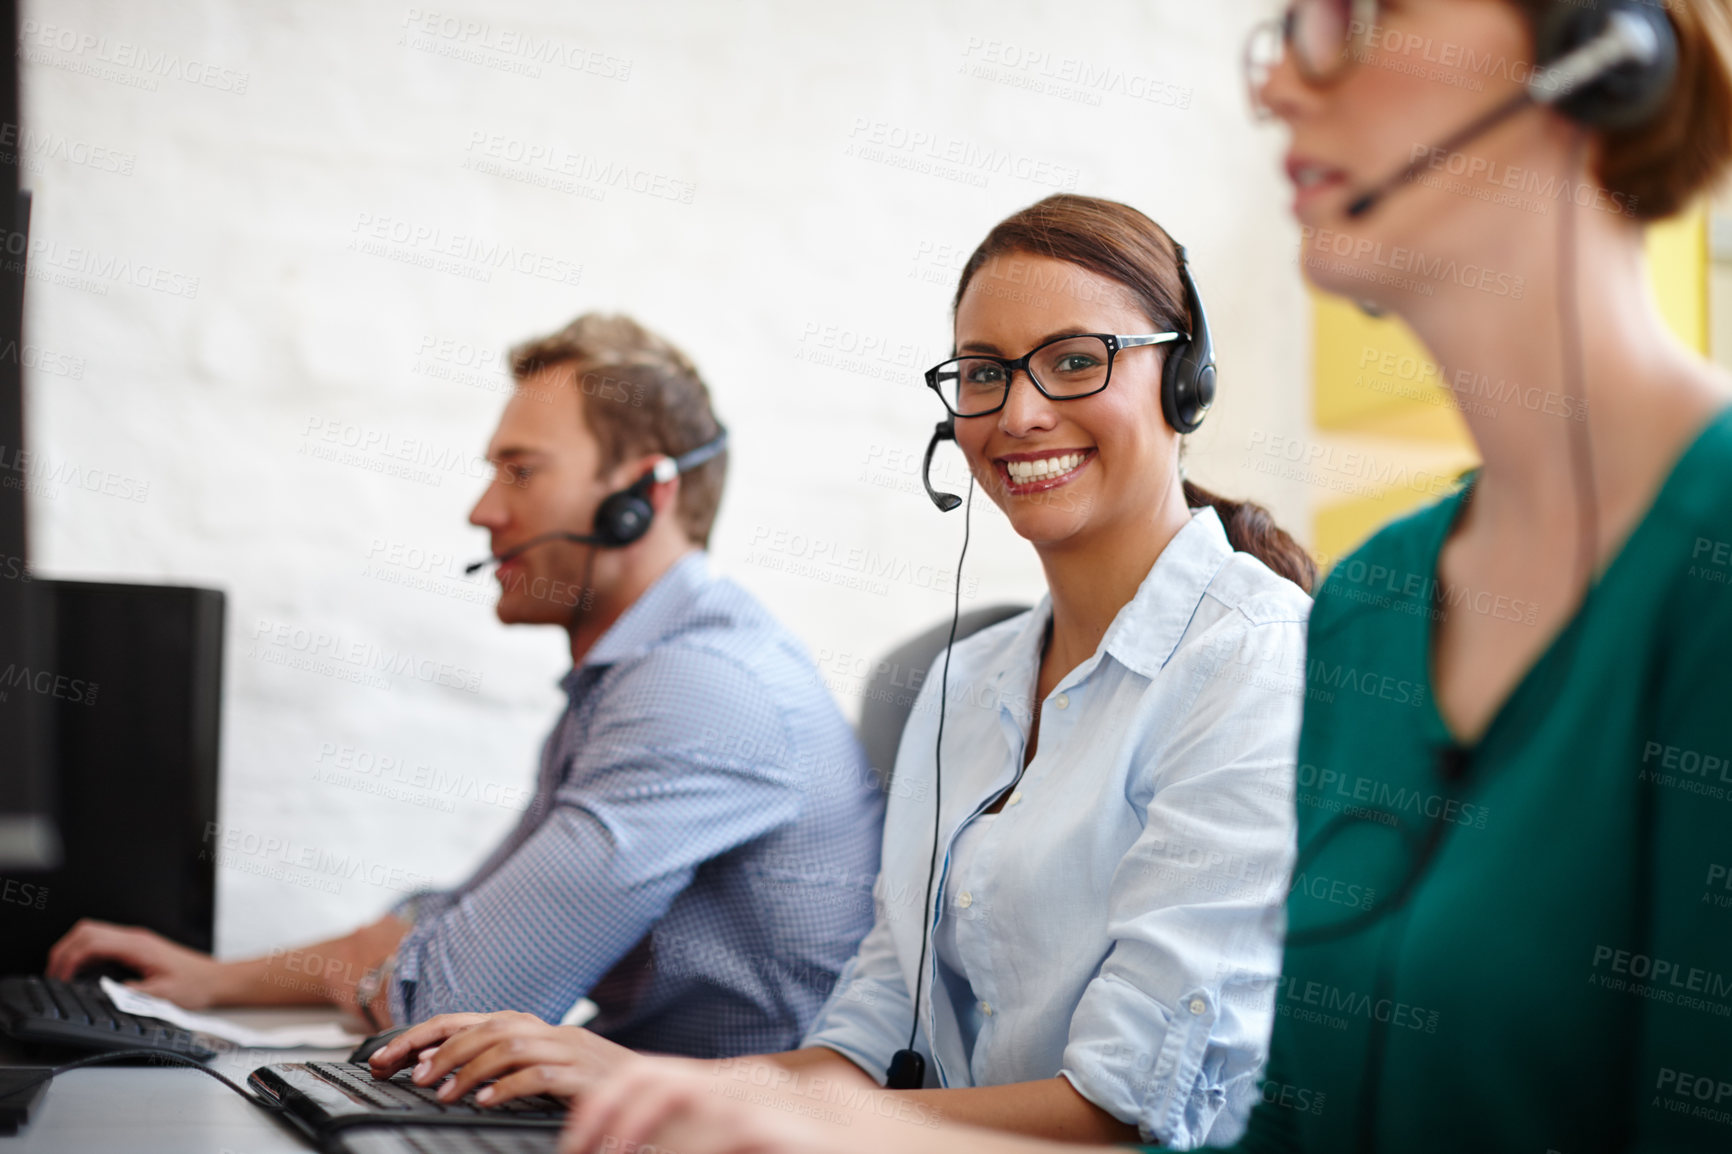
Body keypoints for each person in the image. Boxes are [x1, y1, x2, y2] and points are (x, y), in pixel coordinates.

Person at [526, 0, 1732, 1151]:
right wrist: (654, 1087)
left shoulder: (1273, 651)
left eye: (1362, 17)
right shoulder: (1371, 609)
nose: (1269, 80)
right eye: (983, 374)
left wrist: (807, 1129)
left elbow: (1132, 1111)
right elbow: (1297, 1124)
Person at [366, 195, 1318, 1148]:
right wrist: (633, 1080)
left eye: (1076, 361)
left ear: (1184, 378)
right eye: (984, 374)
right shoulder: (963, 683)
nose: (1021, 413)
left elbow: (1122, 1113)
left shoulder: (1253, 662)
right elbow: (862, 1042)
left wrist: (725, 1108)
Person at [46, 313, 886, 1057]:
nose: (482, 511)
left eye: (520, 471)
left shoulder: (700, 687)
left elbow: (451, 995)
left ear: (641, 494)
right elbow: (450, 921)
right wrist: (214, 981)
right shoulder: (630, 678)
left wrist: (421, 955)